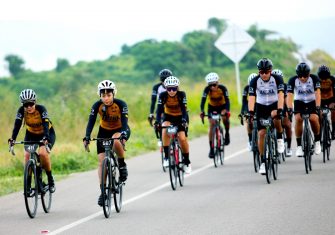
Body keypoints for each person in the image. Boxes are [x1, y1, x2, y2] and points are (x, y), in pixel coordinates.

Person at [83, 80, 130, 206]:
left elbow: (125, 122)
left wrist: (124, 134)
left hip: (120, 130)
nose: (106, 98)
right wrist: (87, 136)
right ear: (100, 96)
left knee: (115, 140)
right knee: (101, 162)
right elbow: (91, 122)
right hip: (103, 132)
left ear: (113, 94)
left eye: (109, 95)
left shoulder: (121, 104)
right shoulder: (96, 105)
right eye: (103, 96)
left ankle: (121, 164)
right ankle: (103, 192)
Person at [8, 89, 56, 193]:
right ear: (23, 105)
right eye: (26, 105)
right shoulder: (21, 111)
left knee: (43, 154)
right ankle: (28, 185)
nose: (29, 107)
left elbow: (46, 124)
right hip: (31, 134)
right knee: (26, 155)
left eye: (31, 104)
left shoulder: (41, 109)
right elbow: (17, 125)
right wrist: (13, 139)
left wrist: (46, 137)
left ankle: (50, 179)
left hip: (46, 133)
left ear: (35, 102)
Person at [248, 58, 285, 175]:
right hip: (261, 106)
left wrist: (279, 109)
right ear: (258, 72)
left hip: (274, 104)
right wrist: (251, 111)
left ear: (271, 71)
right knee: (261, 133)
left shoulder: (277, 79)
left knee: (276, 117)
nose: (264, 74)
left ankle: (279, 139)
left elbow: (281, 95)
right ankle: (263, 162)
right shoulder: (254, 81)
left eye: (266, 72)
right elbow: (252, 97)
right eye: (261, 72)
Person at [154, 76, 191, 173]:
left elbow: (184, 109)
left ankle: (187, 162)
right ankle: (166, 157)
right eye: (169, 88)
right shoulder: (163, 95)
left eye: (174, 88)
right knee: (164, 129)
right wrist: (157, 121)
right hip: (169, 117)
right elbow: (159, 110)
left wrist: (183, 120)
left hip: (180, 117)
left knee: (182, 139)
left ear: (177, 87)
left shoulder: (181, 94)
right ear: (165, 88)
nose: (171, 91)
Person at [287, 62, 321, 157]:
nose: (302, 78)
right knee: (298, 119)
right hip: (299, 101)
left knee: (314, 119)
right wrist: (289, 108)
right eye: (300, 76)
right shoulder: (292, 80)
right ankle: (299, 146)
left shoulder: (314, 79)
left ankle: (317, 141)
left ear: (309, 74)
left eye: (305, 76)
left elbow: (318, 93)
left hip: (312, 101)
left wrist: (317, 106)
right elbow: (289, 95)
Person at [200, 72, 231, 158]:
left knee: (225, 119)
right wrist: (202, 111)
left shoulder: (223, 88)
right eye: (210, 85)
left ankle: (227, 134)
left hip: (222, 106)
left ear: (217, 82)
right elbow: (203, 101)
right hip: (212, 107)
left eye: (214, 84)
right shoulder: (207, 89)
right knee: (212, 125)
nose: (212, 87)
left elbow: (227, 100)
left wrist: (227, 110)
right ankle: (211, 148)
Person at [272, 69, 293, 156]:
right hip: (273, 106)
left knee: (287, 124)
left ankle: (288, 146)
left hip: (284, 105)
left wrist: (288, 111)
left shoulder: (285, 86)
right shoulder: (269, 86)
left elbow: (286, 99)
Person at [239, 72, 258, 151]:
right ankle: (250, 140)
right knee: (248, 120)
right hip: (249, 104)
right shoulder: (246, 88)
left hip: (258, 103)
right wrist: (242, 112)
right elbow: (244, 101)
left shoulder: (261, 86)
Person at [317, 65, 335, 140]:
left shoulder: (332, 79)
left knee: (333, 112)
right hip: (320, 100)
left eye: (325, 78)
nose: (324, 80)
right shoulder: (316, 80)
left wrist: (334, 102)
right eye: (322, 78)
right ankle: (319, 136)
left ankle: (334, 130)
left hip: (331, 99)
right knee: (319, 117)